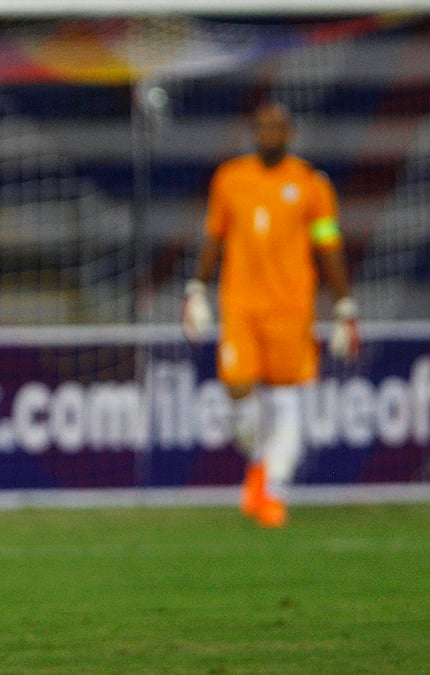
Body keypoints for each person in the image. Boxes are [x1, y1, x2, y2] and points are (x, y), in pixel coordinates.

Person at [182, 101, 358, 529]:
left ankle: (273, 491)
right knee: (238, 390)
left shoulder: (311, 184)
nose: (268, 134)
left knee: (285, 398)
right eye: (261, 127)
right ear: (253, 132)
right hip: (240, 305)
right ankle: (260, 463)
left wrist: (344, 306)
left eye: (276, 128)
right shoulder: (230, 178)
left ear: (289, 133)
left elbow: (328, 245)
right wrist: (196, 289)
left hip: (291, 309)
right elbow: (214, 237)